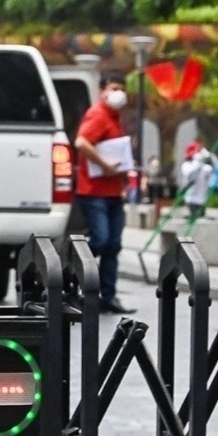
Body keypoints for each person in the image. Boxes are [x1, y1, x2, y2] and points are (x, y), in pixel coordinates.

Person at [73, 73, 135, 315]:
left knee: (113, 245)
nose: (118, 92)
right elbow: (81, 143)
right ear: (102, 91)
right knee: (100, 240)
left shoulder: (115, 117)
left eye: (121, 88)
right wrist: (106, 164)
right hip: (93, 190)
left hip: (112, 192)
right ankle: (72, 267)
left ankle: (108, 295)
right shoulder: (98, 114)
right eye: (114, 88)